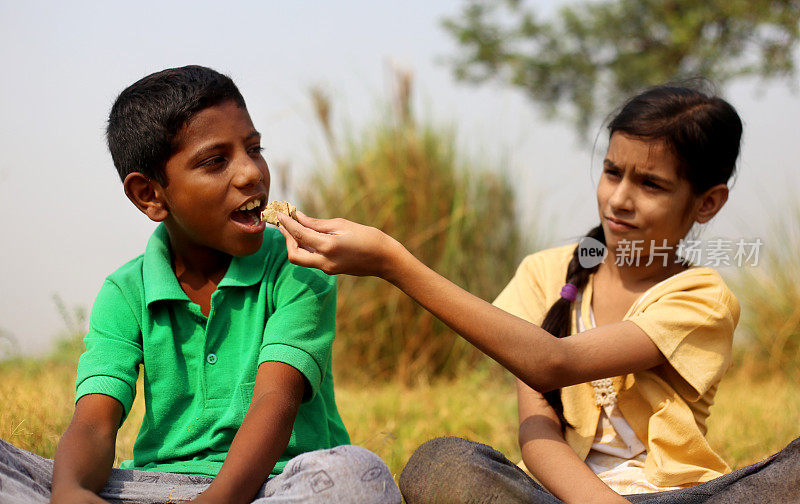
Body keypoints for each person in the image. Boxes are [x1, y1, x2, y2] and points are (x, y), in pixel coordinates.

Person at [274, 85, 800, 503]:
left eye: (651, 185)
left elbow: (552, 362)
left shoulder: (702, 295)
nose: (619, 199)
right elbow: (538, 435)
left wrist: (395, 263)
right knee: (443, 464)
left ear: (707, 203)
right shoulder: (545, 274)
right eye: (612, 172)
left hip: (682, 496)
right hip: (557, 496)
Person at [0, 65, 401, 504]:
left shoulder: (297, 268)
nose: (251, 173)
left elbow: (275, 400)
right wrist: (71, 492)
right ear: (149, 195)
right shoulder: (125, 292)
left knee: (357, 475)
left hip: (275, 485)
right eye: (216, 161)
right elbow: (95, 422)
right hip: (153, 488)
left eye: (254, 148)